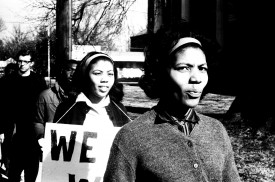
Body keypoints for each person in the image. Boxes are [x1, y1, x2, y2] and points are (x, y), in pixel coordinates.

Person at [103, 22, 241, 182]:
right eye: (184, 68)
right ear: (160, 72)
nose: (196, 78)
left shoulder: (217, 131)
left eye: (202, 68)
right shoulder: (131, 138)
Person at [53, 51, 131, 132]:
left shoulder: (120, 109)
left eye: (110, 74)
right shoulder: (66, 108)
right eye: (97, 73)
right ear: (85, 76)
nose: (105, 80)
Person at [3, 49, 47, 182]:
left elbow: (42, 106)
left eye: (25, 61)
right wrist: (2, 131)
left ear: (31, 63)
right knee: (13, 171)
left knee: (31, 171)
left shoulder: (38, 81)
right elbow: (1, 107)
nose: (22, 64)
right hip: (13, 130)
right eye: (20, 61)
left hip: (33, 131)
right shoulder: (7, 81)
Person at [34, 59, 79, 140]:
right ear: (62, 71)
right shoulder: (45, 96)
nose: (73, 74)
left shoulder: (84, 98)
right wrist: (42, 138)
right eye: (69, 70)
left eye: (76, 71)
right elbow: (38, 122)